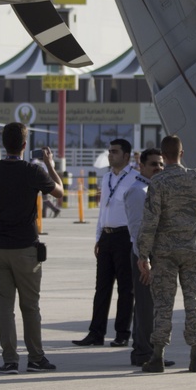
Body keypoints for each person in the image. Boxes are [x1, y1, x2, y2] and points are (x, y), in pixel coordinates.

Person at [0, 122, 63, 375]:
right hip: (25, 247)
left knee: (4, 307)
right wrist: (50, 165)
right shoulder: (32, 171)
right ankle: (35, 358)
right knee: (30, 306)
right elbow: (60, 192)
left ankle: (10, 360)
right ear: (24, 145)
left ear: (4, 142)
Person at [137, 133, 196, 373]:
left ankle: (157, 356)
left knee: (163, 304)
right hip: (192, 251)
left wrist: (142, 255)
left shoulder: (157, 182)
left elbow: (149, 222)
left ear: (163, 155)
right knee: (193, 301)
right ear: (181, 154)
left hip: (165, 253)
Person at [73, 138, 139, 348]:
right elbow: (103, 209)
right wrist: (98, 237)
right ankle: (96, 332)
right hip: (107, 237)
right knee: (101, 288)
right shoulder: (107, 177)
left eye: (115, 151)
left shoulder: (135, 179)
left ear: (126, 156)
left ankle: (122, 333)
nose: (110, 155)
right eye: (110, 151)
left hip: (125, 237)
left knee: (125, 289)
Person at [123, 148, 175, 368]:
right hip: (144, 257)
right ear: (141, 166)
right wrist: (144, 260)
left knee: (152, 306)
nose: (158, 168)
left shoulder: (154, 189)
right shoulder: (138, 191)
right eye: (153, 164)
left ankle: (149, 352)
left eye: (161, 164)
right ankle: (143, 353)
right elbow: (137, 230)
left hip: (156, 254)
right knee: (145, 306)